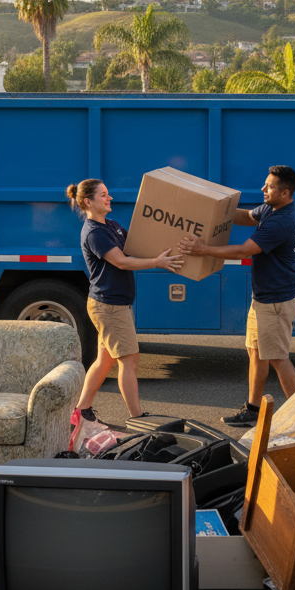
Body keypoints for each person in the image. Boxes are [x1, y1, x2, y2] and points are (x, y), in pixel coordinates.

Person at [178, 165, 295, 427]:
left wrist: (203, 249)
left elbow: (243, 251)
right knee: (255, 352)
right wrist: (212, 210)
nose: (262, 189)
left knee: (278, 358)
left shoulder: (281, 221)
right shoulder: (272, 208)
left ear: (286, 192)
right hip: (264, 298)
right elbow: (246, 216)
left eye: (269, 187)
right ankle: (253, 410)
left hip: (277, 301)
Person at [68, 178, 183, 425]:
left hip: (113, 304)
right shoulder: (94, 233)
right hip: (109, 307)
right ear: (88, 201)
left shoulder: (112, 225)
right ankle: (137, 417)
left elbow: (136, 248)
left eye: (108, 194)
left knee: (106, 359)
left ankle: (80, 411)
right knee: (129, 360)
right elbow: (121, 261)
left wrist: (169, 243)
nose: (109, 198)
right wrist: (156, 263)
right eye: (103, 195)